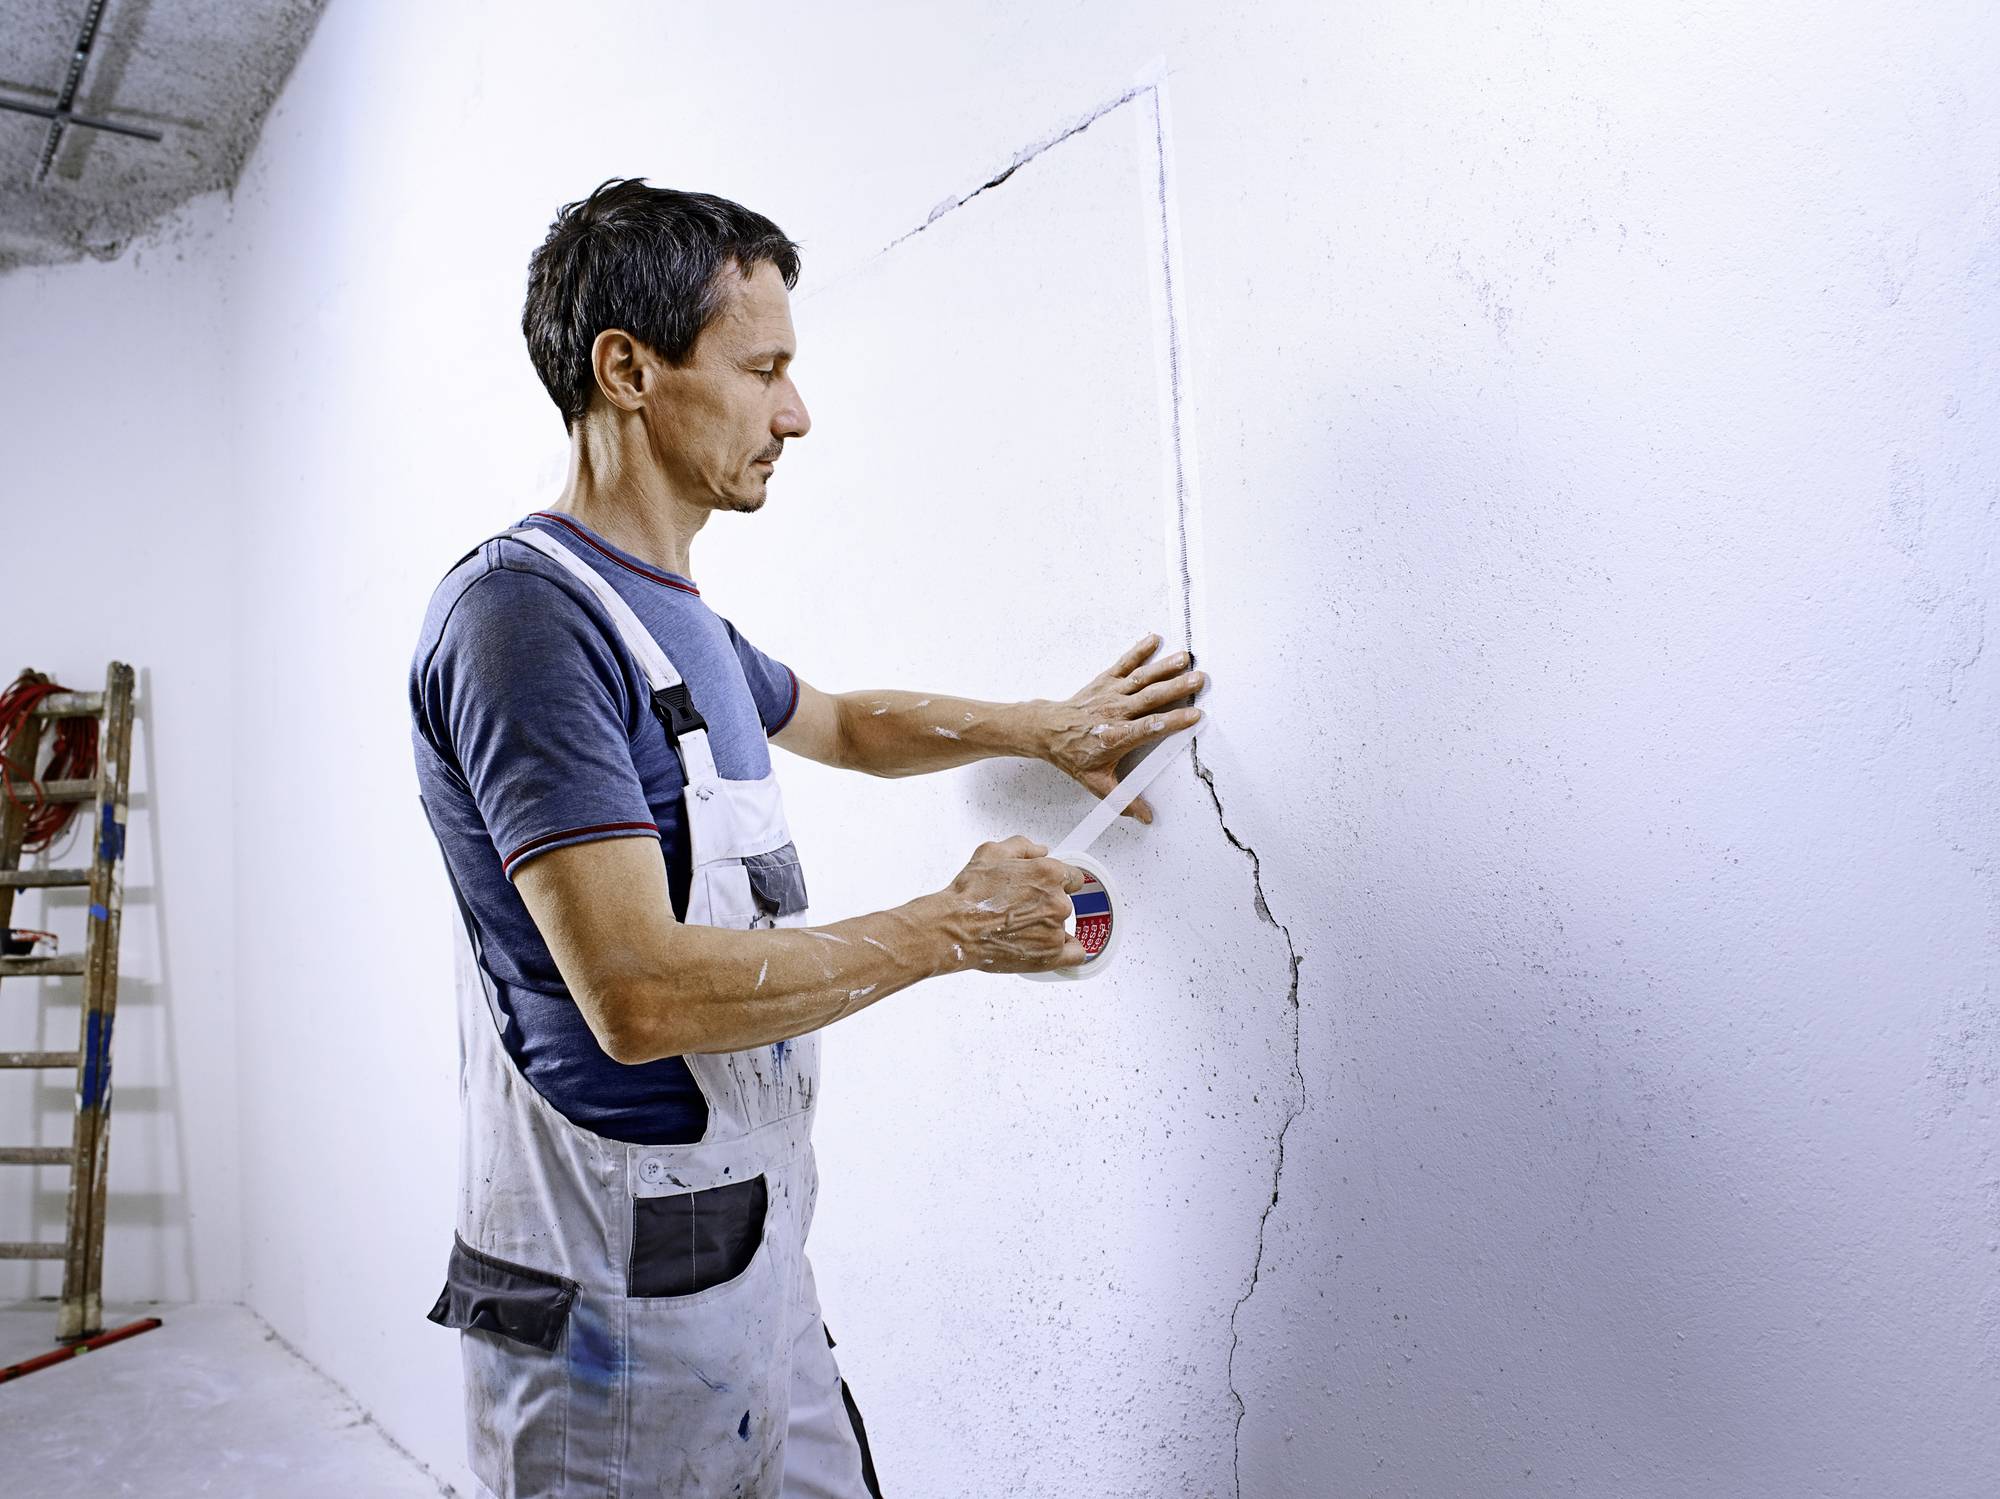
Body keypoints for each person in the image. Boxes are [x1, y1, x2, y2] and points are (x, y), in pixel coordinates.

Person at [407, 177, 1208, 1498]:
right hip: (609, 1294)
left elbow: (841, 721)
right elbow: (639, 993)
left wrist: (1045, 727)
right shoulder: (524, 623)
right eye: (763, 369)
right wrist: (954, 927)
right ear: (629, 369)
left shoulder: (676, 619)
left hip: (749, 1257)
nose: (797, 412)